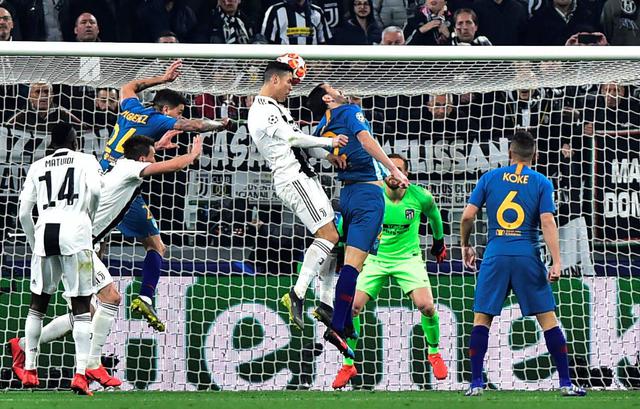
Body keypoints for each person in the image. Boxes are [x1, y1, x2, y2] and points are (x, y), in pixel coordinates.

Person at [10, 133, 204, 390]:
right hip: (78, 241)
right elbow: (172, 166)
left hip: (71, 238)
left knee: (87, 311)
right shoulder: (130, 170)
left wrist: (156, 146)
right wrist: (193, 154)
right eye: (153, 155)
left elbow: (143, 155)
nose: (155, 158)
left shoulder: (123, 165)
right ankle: (91, 363)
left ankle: (23, 346)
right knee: (110, 298)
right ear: (143, 158)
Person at [100, 59, 227, 332]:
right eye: (177, 113)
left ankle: (91, 293)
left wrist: (164, 79)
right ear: (167, 109)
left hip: (99, 179)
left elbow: (128, 86)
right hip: (123, 187)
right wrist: (219, 124)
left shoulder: (131, 108)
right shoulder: (158, 119)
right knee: (156, 246)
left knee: (99, 244)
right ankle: (144, 296)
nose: (176, 119)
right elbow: (193, 126)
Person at [459, 130, 587, 397]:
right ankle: (565, 383)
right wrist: (556, 261)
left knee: (481, 319)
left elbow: (468, 216)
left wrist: (465, 244)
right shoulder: (541, 182)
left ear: (509, 153)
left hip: (495, 254)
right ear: (535, 155)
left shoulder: (490, 178)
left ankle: (475, 384)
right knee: (548, 320)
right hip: (527, 254)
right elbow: (548, 221)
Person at [306, 83, 409, 358]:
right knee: (353, 265)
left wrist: (329, 155)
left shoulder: (323, 126)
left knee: (354, 263)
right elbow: (366, 141)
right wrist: (393, 170)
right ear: (328, 99)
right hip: (368, 197)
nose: (339, 89)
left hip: (348, 196)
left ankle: (345, 321)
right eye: (332, 88)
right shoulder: (350, 111)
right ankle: (337, 325)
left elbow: (309, 148)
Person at [331, 153, 449, 389]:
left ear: (406, 175)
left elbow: (435, 216)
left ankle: (434, 352)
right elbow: (347, 220)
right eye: (389, 169)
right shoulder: (371, 197)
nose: (393, 173)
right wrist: (341, 247)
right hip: (375, 258)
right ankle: (348, 363)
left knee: (426, 306)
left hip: (408, 258)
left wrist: (438, 244)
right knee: (351, 307)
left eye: (399, 169)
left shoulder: (420, 196)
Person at [247, 61, 347, 332]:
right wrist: (330, 142)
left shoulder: (278, 109)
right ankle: (297, 293)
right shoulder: (261, 110)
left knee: (332, 236)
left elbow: (300, 144)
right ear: (275, 80)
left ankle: (325, 303)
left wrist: (328, 156)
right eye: (290, 82)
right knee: (328, 236)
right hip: (293, 178)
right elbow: (292, 140)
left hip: (305, 176)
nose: (292, 87)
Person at [17, 122, 102, 395]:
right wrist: (89, 217)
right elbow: (97, 191)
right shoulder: (86, 160)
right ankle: (79, 375)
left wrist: (33, 241)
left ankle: (30, 367)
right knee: (81, 305)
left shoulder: (37, 166)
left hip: (45, 234)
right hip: (75, 234)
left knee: (38, 303)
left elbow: (23, 214)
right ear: (75, 141)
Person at [261, 0, 333, 44]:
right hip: (285, 65)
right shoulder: (275, 11)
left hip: (311, 64)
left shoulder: (317, 11)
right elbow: (266, 42)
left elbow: (323, 42)